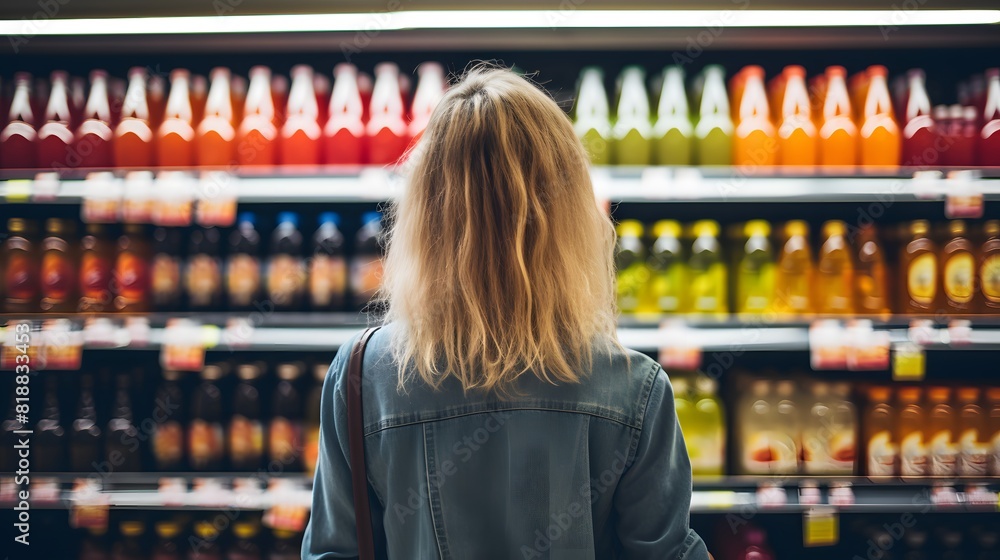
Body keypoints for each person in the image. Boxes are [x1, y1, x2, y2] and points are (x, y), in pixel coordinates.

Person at [303, 65, 711, 560]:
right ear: (569, 213)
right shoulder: (634, 388)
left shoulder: (362, 376)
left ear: (426, 212)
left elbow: (333, 552)